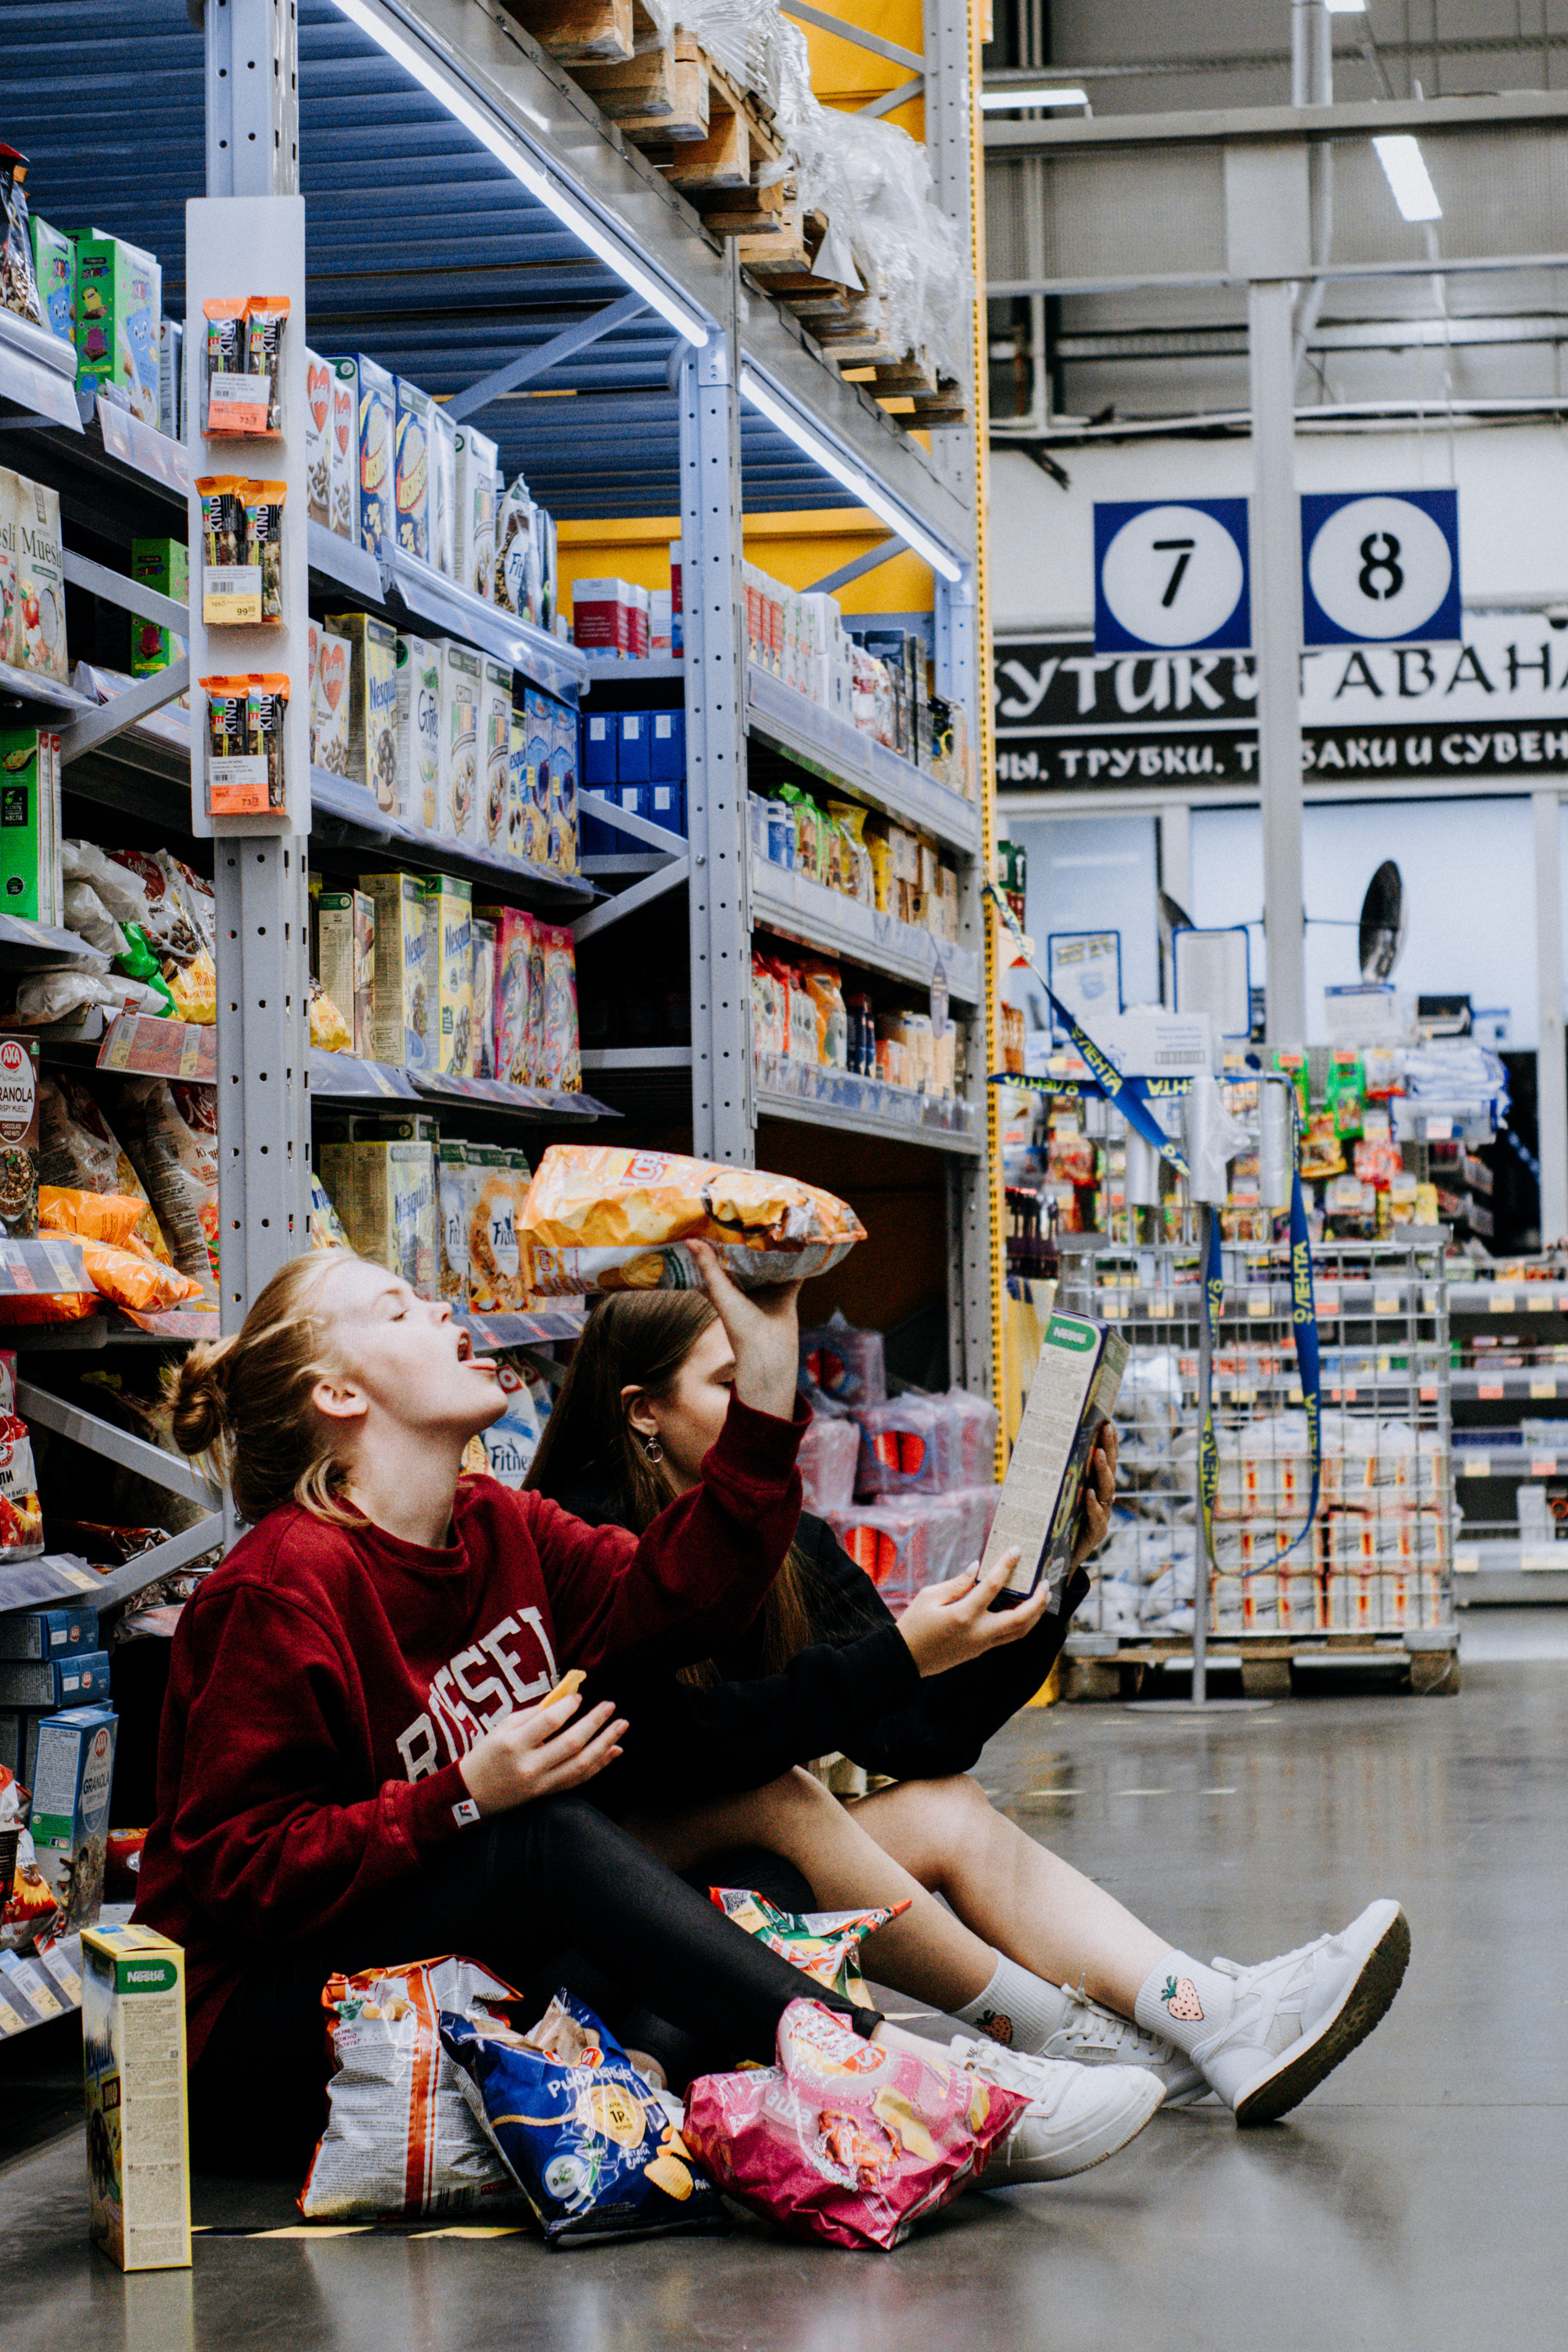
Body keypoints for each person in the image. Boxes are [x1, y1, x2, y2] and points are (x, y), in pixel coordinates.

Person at [134, 1245, 1166, 2186]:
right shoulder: (279, 1589)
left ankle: (641, 2093)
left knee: (750, 1874)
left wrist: (767, 1380)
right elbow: (239, 1872)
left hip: (424, 1989)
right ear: (339, 1393)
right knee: (537, 1836)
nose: (445, 1309)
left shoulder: (501, 1526)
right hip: (249, 2054)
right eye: (398, 1310)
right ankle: (911, 2083)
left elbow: (690, 1593)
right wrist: (460, 1798)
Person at [527, 1289, 1411, 2127]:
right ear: (643, 1409)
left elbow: (921, 1738)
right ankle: (1047, 2033)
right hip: (599, 1916)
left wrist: (1044, 1590)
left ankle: (1211, 2014)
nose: (769, 1410)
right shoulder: (574, 1537)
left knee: (945, 1809)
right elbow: (670, 1755)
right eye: (731, 1385)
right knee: (784, 1793)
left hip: (742, 1884)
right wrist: (897, 1656)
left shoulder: (782, 1538)